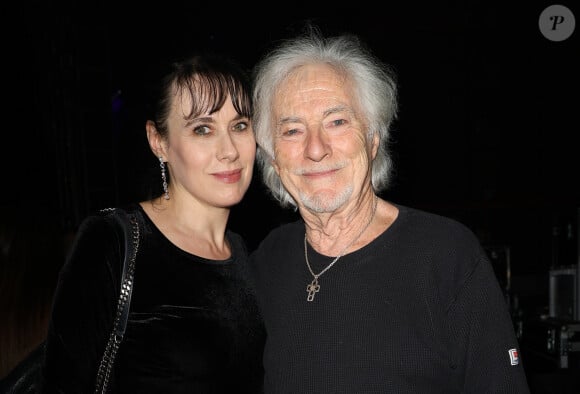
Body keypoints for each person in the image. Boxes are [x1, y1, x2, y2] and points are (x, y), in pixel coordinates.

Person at [249, 27, 531, 393]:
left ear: (373, 138)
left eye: (336, 122)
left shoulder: (447, 257)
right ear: (272, 157)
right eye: (292, 130)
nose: (315, 149)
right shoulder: (268, 261)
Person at [41, 53, 265, 393]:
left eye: (240, 125)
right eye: (202, 129)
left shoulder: (249, 256)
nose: (229, 150)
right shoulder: (113, 241)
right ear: (158, 141)